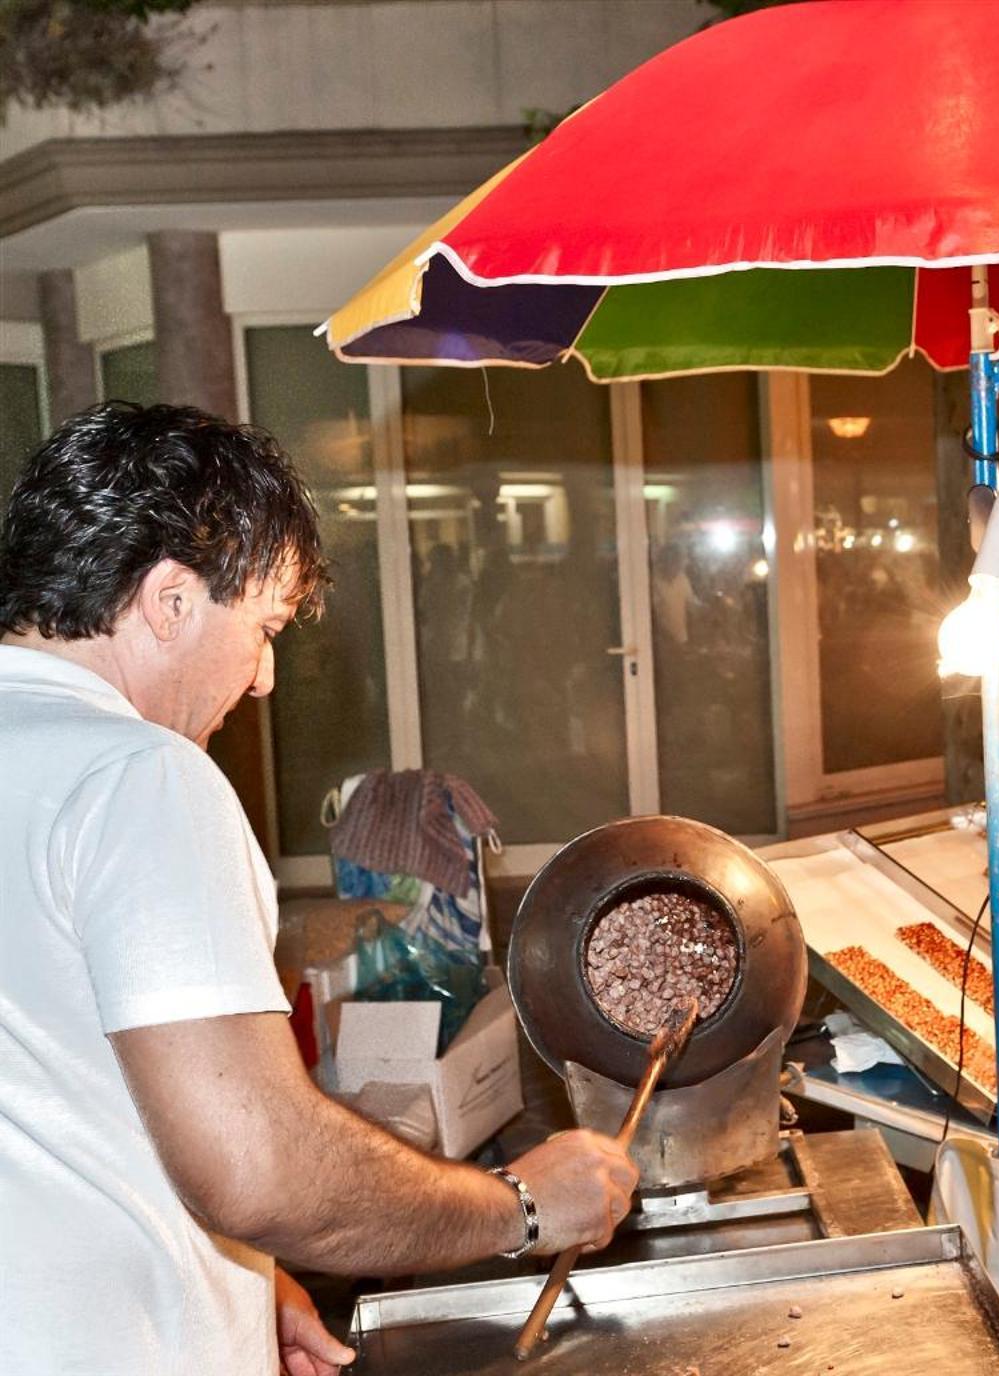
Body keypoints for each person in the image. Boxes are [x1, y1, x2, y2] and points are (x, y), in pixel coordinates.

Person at [0, 403, 640, 1376]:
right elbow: (260, 1168)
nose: (262, 679)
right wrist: (520, 1203)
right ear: (170, 599)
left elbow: (53, 1091)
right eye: (259, 628)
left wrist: (248, 1275)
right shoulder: (138, 776)